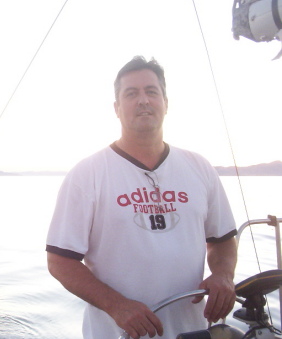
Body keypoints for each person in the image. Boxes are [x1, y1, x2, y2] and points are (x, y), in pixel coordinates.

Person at [45, 56, 237, 339]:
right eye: (131, 93)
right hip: (118, 333)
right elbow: (60, 261)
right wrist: (117, 306)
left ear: (166, 102)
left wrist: (223, 275)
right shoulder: (87, 174)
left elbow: (222, 241)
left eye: (151, 91)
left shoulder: (199, 168)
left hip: (193, 331)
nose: (143, 100)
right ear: (117, 108)